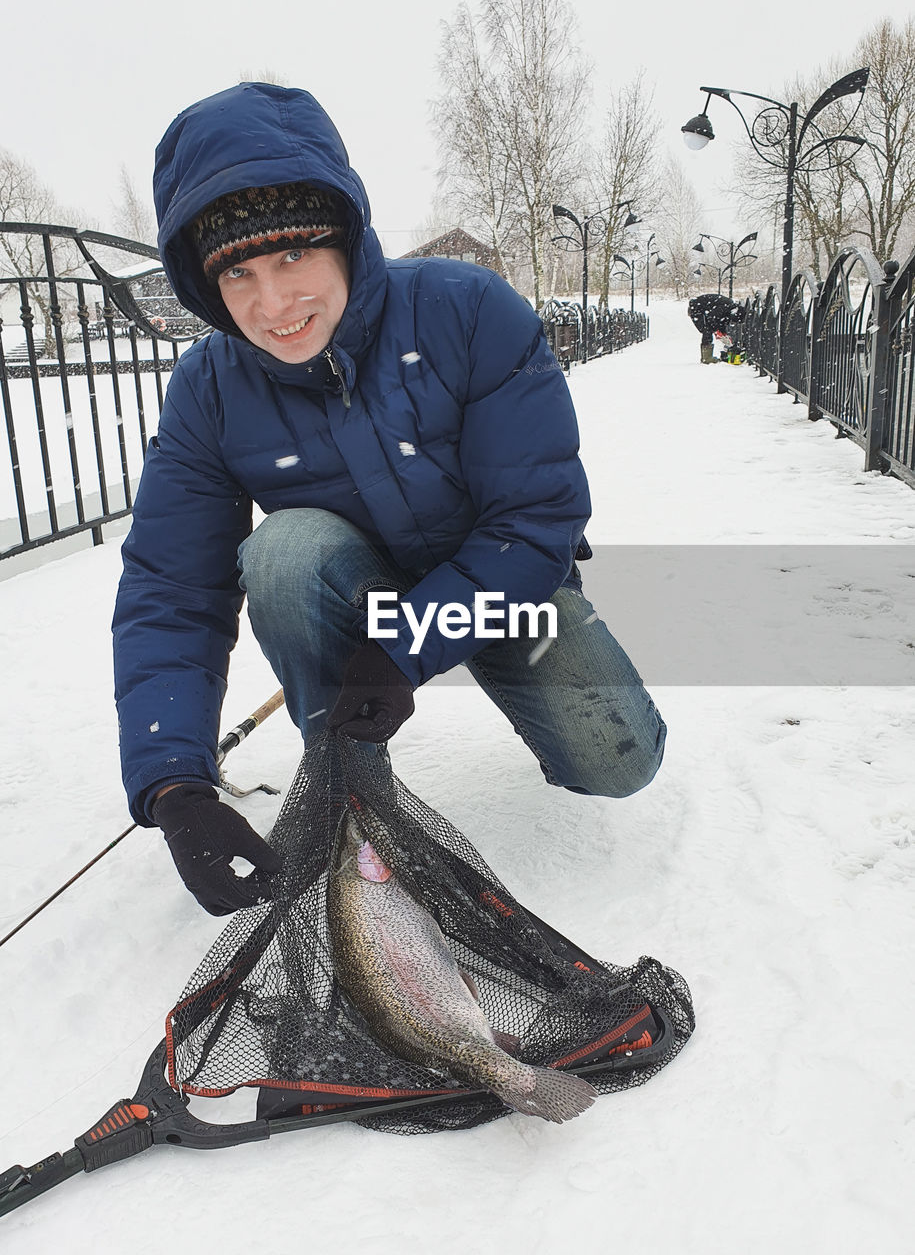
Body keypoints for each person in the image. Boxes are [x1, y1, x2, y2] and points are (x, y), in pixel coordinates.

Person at [112, 83, 666, 916]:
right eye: (239, 271)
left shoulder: (468, 310)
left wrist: (402, 647)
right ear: (204, 282)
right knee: (283, 552)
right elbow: (172, 588)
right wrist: (173, 785)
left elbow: (534, 519)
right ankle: (343, 773)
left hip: (506, 586)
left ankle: (450, 700)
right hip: (349, 586)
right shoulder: (208, 390)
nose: (274, 304)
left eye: (294, 255)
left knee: (617, 763)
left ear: (344, 237)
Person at [687, 292, 743, 364]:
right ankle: (706, 358)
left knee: (708, 329)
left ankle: (706, 356)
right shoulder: (726, 306)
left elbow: (721, 322)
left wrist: (723, 334)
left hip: (701, 309)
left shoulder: (729, 308)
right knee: (707, 330)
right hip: (697, 308)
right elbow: (712, 318)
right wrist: (716, 330)